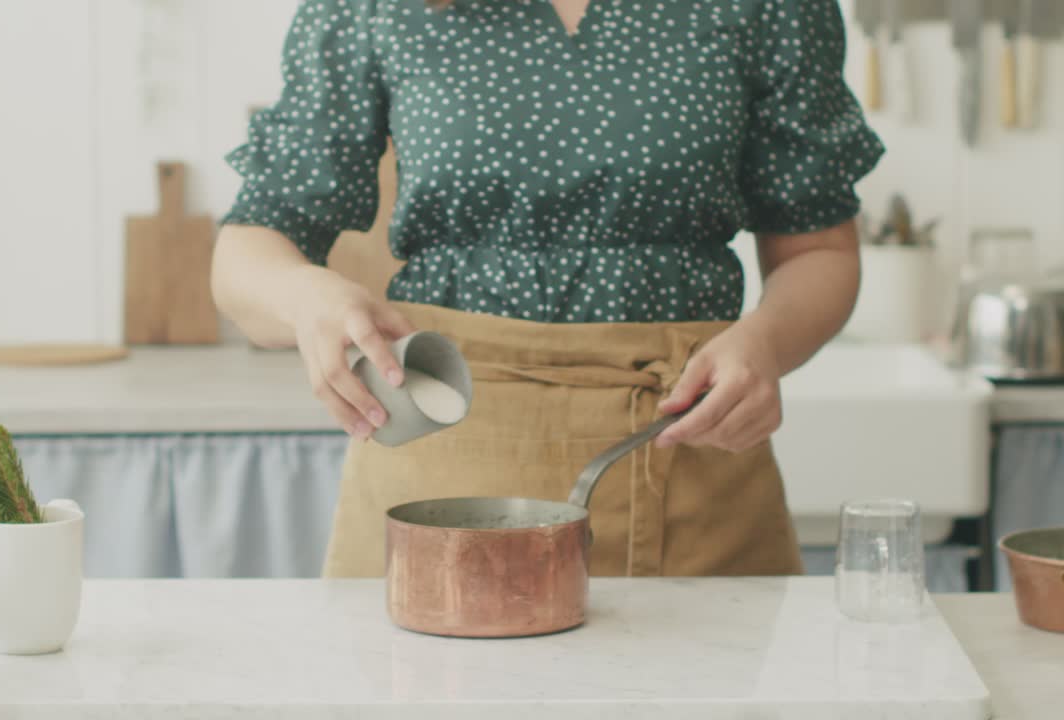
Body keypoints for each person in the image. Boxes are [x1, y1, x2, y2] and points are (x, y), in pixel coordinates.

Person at [212, 0, 883, 578]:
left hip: (691, 466)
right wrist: (306, 298)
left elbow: (820, 250)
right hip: (435, 472)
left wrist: (766, 344)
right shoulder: (377, 8)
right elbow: (246, 252)